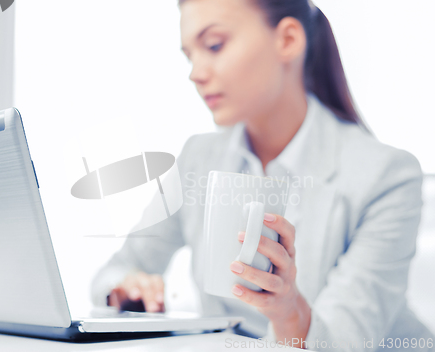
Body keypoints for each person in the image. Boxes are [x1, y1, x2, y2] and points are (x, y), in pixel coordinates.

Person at [91, 0, 435, 350]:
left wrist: (287, 311)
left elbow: (345, 342)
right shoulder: (199, 157)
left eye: (214, 46)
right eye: (189, 55)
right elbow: (117, 270)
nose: (195, 72)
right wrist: (127, 288)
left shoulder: (388, 176)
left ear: (287, 40)